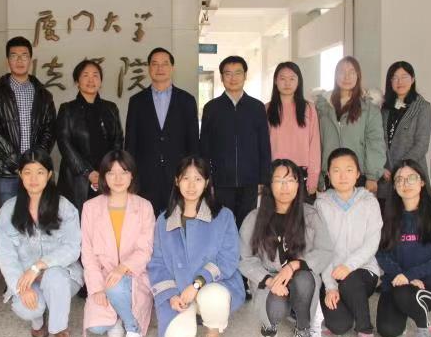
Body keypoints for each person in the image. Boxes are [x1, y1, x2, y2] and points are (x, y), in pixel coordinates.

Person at [147, 156, 245, 337]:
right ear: (177, 181)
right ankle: (193, 312)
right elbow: (157, 263)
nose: (191, 185)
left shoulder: (223, 216)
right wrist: (171, 295)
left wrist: (197, 284)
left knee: (213, 296)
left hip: (212, 285)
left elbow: (228, 258)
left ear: (207, 182)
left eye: (198, 179)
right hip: (180, 293)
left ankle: (213, 332)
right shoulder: (164, 220)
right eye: (186, 178)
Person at [0, 150, 83, 337]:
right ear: (20, 174)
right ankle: (38, 320)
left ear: (50, 175)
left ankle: (60, 331)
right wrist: (20, 286)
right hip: (26, 278)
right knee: (28, 308)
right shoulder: (8, 211)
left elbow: (72, 247)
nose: (33, 178)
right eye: (28, 172)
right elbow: (6, 256)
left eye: (40, 172)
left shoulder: (64, 207)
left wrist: (40, 265)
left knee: (54, 276)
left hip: (63, 275)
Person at [239, 159, 332, 337]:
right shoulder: (254, 218)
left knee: (303, 278)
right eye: (279, 181)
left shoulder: (311, 215)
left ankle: (303, 328)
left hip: (302, 278)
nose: (285, 186)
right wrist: (269, 281)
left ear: (298, 184)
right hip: (270, 281)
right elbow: (245, 259)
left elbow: (325, 250)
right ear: (269, 185)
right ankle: (275, 317)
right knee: (276, 311)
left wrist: (294, 265)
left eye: (290, 180)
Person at [80, 150, 154, 337]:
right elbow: (87, 253)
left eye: (124, 172)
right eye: (111, 173)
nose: (118, 178)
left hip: (134, 273)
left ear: (132, 175)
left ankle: (133, 330)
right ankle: (118, 314)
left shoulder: (144, 206)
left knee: (115, 286)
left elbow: (145, 249)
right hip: (103, 275)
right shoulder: (90, 208)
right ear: (103, 176)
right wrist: (97, 288)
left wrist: (122, 268)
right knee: (97, 328)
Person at [375, 160, 431, 337]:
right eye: (399, 179)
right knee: (387, 330)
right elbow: (381, 253)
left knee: (403, 293)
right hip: (396, 282)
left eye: (411, 178)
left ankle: (425, 330)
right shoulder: (387, 216)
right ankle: (407, 307)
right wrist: (401, 276)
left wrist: (410, 276)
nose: (405, 183)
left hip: (427, 287)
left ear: (422, 182)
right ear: (394, 186)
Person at [316, 148, 383, 337]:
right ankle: (352, 308)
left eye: (348, 170)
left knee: (351, 280)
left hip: (363, 271)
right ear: (328, 174)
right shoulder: (321, 204)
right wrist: (330, 286)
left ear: (357, 173)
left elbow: (372, 242)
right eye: (336, 170)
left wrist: (349, 266)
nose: (342, 176)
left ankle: (365, 332)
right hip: (332, 273)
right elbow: (322, 247)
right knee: (338, 326)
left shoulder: (369, 202)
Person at [125, 47, 199, 216]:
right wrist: (130, 176)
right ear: (149, 68)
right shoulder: (136, 101)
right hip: (146, 176)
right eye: (155, 64)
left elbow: (193, 142)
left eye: (165, 64)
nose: (160, 68)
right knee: (146, 222)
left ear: (172, 68)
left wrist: (192, 174)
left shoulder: (187, 100)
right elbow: (131, 142)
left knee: (178, 220)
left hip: (179, 176)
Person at [200, 55, 271, 228]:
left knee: (247, 225)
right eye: (228, 73)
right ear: (222, 77)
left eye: (238, 73)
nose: (233, 78)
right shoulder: (212, 108)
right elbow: (204, 148)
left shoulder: (257, 107)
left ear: (245, 75)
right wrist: (207, 178)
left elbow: (264, 145)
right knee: (223, 224)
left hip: (250, 181)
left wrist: (263, 178)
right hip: (221, 181)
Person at [0, 37, 57, 204]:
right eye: (14, 56)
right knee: (9, 215)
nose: (19, 60)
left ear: (30, 60)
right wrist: (17, 163)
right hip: (7, 171)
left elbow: (50, 130)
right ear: (7, 61)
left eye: (24, 55)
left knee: (38, 214)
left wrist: (35, 163)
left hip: (37, 171)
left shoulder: (44, 95)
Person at [56, 60, 123, 211]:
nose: (91, 80)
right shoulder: (67, 109)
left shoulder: (111, 108)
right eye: (85, 75)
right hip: (77, 180)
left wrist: (107, 170)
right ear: (77, 82)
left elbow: (118, 141)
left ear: (101, 81)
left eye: (95, 75)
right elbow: (64, 144)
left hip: (107, 177)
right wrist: (88, 172)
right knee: (78, 220)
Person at [316, 56, 385, 193]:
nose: (346, 77)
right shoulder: (322, 107)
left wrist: (372, 176)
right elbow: (317, 143)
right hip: (331, 175)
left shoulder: (369, 108)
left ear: (358, 76)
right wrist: (319, 175)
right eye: (342, 72)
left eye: (352, 72)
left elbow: (375, 143)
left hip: (358, 176)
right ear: (335, 75)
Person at [377, 61, 431, 213]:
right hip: (386, 176)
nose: (399, 82)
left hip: (411, 174)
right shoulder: (384, 108)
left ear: (413, 79)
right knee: (387, 219)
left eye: (404, 77)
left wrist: (400, 169)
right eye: (395, 78)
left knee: (413, 218)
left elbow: (422, 144)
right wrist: (380, 167)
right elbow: (377, 141)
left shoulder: (422, 107)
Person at [266, 62, 320, 196]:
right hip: (275, 174)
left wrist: (313, 178)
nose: (287, 83)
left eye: (292, 79)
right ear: (275, 81)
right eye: (282, 78)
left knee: (302, 210)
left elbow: (314, 145)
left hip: (302, 175)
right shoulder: (266, 109)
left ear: (298, 81)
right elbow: (261, 147)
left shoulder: (309, 108)